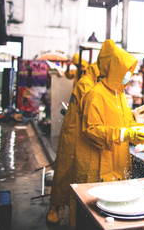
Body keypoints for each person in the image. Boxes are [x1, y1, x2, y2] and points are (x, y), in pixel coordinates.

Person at [73, 39, 144, 185]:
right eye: (125, 71)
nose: (128, 75)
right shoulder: (95, 95)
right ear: (113, 70)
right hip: (99, 164)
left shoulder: (120, 94)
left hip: (119, 162)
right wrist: (125, 134)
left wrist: (136, 129)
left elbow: (126, 122)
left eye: (129, 71)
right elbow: (91, 130)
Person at [47, 61, 100, 223]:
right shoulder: (86, 85)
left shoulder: (87, 81)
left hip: (77, 133)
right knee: (64, 172)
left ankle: (68, 209)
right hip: (73, 135)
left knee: (69, 172)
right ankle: (54, 207)